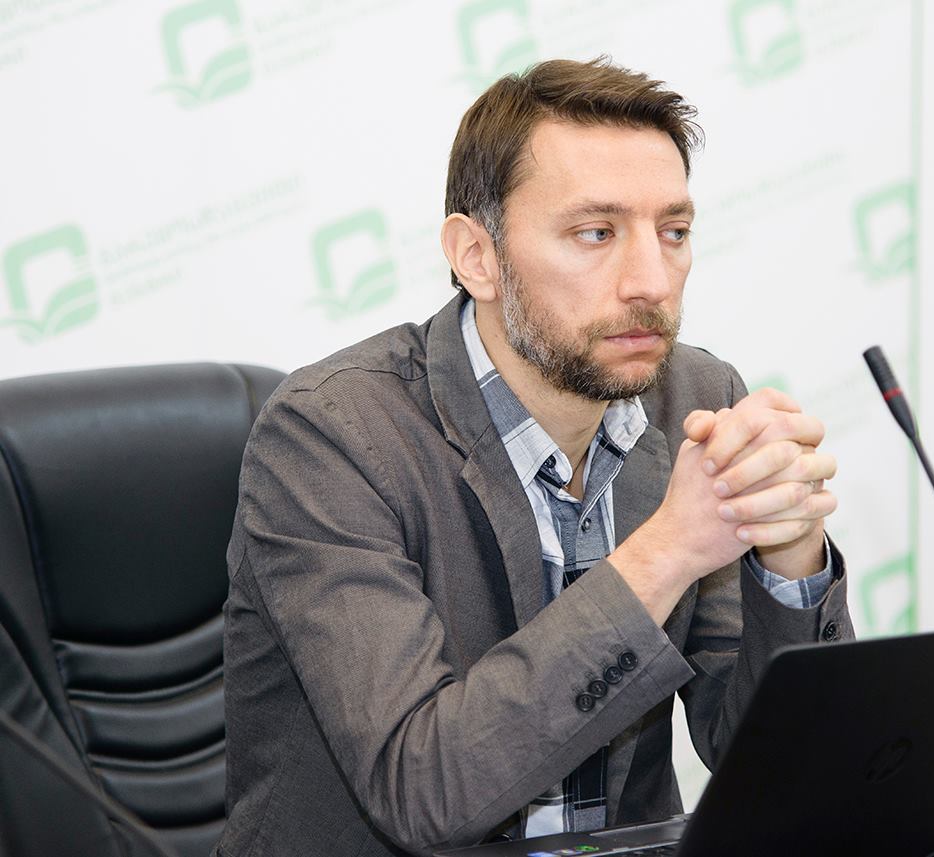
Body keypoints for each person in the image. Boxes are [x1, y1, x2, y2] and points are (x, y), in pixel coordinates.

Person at [217, 57, 851, 856]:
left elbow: (787, 771)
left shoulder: (695, 396)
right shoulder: (330, 437)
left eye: (674, 232)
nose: (651, 281)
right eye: (596, 234)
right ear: (476, 256)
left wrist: (790, 561)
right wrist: (667, 550)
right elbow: (424, 791)